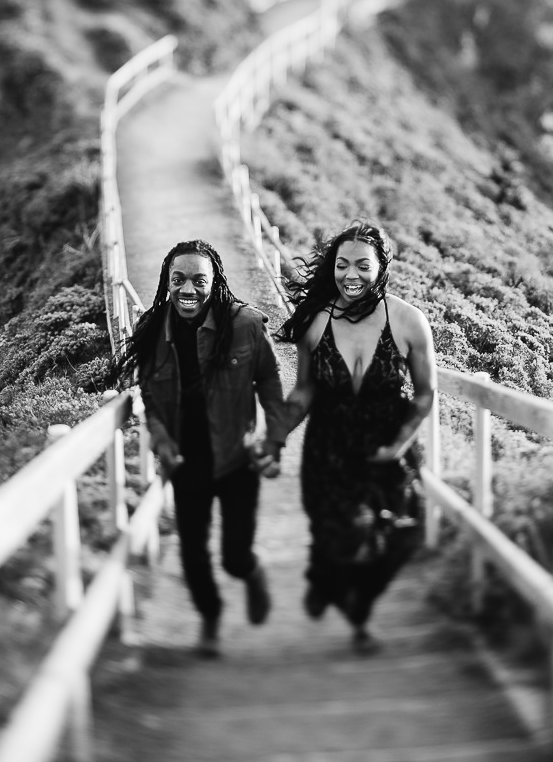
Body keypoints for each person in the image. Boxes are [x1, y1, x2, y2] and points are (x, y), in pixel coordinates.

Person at [116, 239, 287, 657]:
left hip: (236, 456)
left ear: (215, 282)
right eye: (178, 279)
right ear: (166, 282)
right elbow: (149, 396)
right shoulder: (151, 330)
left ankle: (252, 572)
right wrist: (160, 436)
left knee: (233, 556)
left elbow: (267, 380)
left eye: (199, 280)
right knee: (193, 553)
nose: (187, 289)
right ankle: (209, 621)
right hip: (186, 459)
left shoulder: (244, 324)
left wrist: (274, 440)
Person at [278, 221, 436, 653]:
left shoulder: (409, 322)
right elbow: (305, 390)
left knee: (408, 535)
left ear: (382, 267)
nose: (351, 274)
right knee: (346, 535)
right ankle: (356, 614)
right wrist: (274, 436)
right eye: (342, 264)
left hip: (390, 442)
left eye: (363, 265)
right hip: (330, 446)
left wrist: (397, 446)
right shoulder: (316, 323)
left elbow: (425, 395)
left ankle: (330, 580)